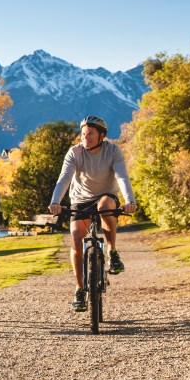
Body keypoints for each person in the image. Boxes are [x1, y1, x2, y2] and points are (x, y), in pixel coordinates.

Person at [48, 116, 138, 312]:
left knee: (105, 206)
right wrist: (55, 202)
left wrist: (130, 201)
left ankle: (112, 253)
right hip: (80, 199)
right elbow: (64, 178)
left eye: (90, 134)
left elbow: (122, 177)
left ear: (101, 136)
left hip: (105, 195)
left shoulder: (112, 151)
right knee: (76, 238)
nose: (85, 138)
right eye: (83, 134)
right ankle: (80, 289)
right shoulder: (75, 152)